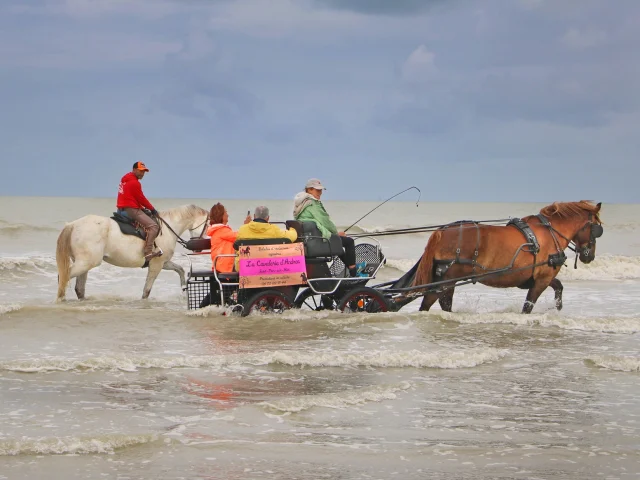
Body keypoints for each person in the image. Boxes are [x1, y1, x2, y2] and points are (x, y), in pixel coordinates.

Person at [293, 178, 365, 277]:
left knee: (337, 243)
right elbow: (325, 221)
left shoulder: (301, 203)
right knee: (348, 242)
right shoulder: (312, 203)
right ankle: (354, 270)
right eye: (317, 190)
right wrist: (336, 233)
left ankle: (350, 267)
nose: (320, 192)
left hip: (310, 240)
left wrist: (335, 236)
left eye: (321, 190)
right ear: (309, 190)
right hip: (317, 241)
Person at [117, 161, 162, 261]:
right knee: (154, 226)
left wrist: (142, 207)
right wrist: (152, 209)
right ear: (134, 170)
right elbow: (141, 198)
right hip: (131, 210)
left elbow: (131, 197)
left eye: (144, 172)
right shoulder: (135, 183)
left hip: (121, 209)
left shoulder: (125, 179)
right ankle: (148, 252)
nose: (142, 174)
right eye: (140, 171)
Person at [235, 206, 298, 271]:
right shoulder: (274, 230)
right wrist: (292, 229)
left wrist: (246, 225)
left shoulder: (242, 229)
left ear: (254, 216)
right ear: (268, 218)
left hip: (244, 267)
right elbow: (292, 236)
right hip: (268, 267)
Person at [206, 203, 251, 272]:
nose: (228, 215)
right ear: (220, 215)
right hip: (225, 266)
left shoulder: (219, 230)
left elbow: (236, 236)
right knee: (251, 267)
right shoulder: (221, 230)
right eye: (225, 212)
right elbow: (239, 236)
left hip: (221, 264)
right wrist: (246, 226)